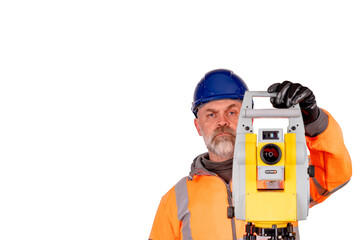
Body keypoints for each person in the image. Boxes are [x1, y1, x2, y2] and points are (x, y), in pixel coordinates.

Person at [149, 69, 352, 240]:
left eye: (232, 112)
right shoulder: (176, 199)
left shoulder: (282, 171)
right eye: (211, 114)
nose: (222, 122)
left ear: (250, 118)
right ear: (198, 125)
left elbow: (334, 174)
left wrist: (313, 119)